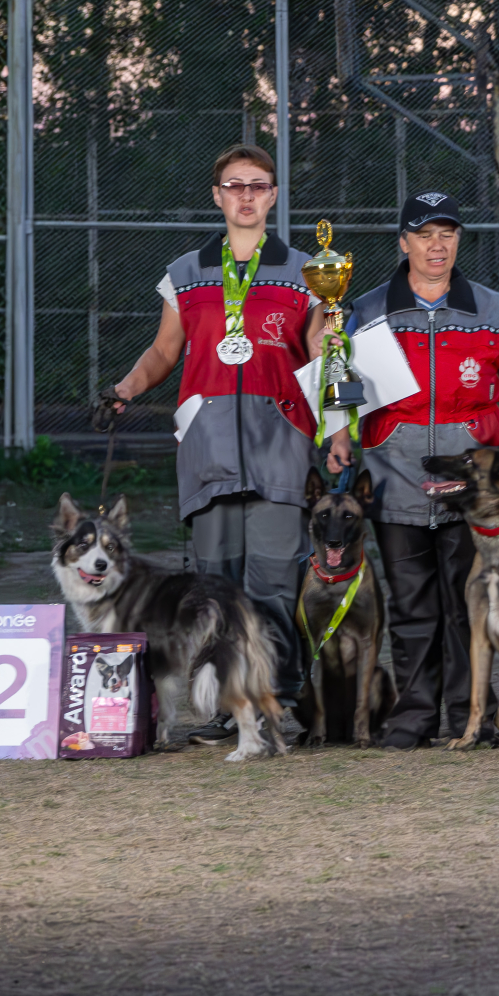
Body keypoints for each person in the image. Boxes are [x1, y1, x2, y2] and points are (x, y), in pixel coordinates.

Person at [106, 145, 329, 733]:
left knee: (276, 581)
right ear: (217, 195)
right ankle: (227, 708)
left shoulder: (308, 273)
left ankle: (279, 701)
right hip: (208, 449)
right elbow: (163, 351)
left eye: (259, 186)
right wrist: (126, 386)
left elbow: (324, 362)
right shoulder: (185, 272)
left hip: (280, 445)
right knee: (216, 584)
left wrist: (337, 419)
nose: (247, 196)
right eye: (235, 186)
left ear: (275, 195)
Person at [326, 192, 499, 750]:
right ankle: (415, 714)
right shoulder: (369, 309)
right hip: (395, 476)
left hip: (469, 490)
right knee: (411, 603)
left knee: (466, 602)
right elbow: (342, 384)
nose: (437, 245)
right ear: (404, 242)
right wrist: (340, 435)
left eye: (447, 233)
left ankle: (465, 714)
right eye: (424, 234)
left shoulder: (490, 308)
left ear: (458, 241)